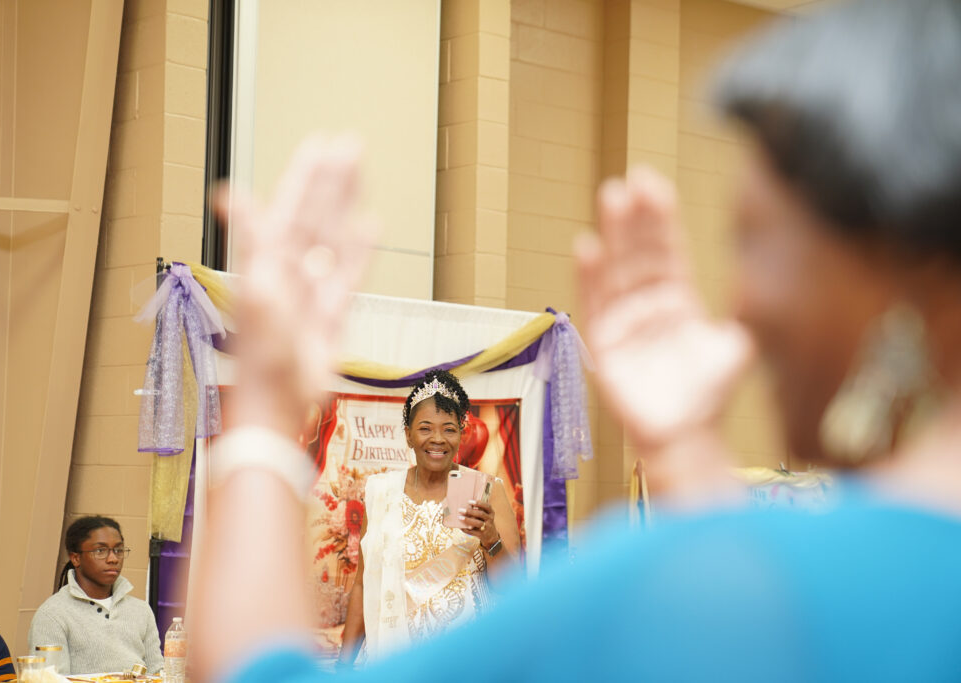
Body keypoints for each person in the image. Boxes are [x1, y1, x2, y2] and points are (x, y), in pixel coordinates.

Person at [191, 0, 961, 680]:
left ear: (903, 262)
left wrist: (262, 406)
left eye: (756, 240)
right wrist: (686, 451)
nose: (743, 303)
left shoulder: (729, 577)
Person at [337, 369, 521, 666]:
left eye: (449, 429)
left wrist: (491, 540)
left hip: (466, 658)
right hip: (393, 657)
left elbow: (513, 588)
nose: (438, 439)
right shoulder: (382, 492)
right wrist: (343, 667)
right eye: (425, 428)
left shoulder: (488, 490)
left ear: (461, 435)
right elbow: (363, 584)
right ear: (409, 435)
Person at [28, 516, 164, 675]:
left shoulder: (140, 610)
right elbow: (50, 679)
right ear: (76, 558)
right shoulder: (52, 615)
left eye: (118, 550)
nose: (113, 559)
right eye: (100, 551)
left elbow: (156, 672)